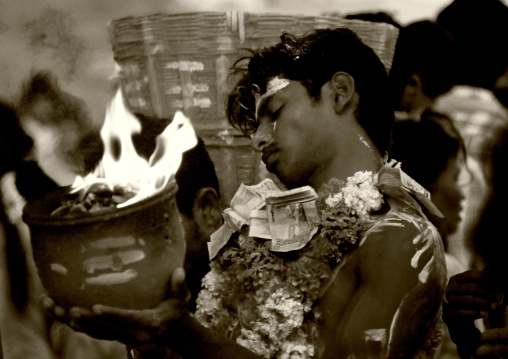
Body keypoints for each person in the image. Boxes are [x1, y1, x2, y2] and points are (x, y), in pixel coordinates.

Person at [45, 28, 447, 359]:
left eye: (274, 113)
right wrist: (151, 337)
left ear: (340, 92)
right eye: (254, 126)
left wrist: (184, 335)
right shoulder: (261, 232)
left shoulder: (401, 237)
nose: (258, 139)